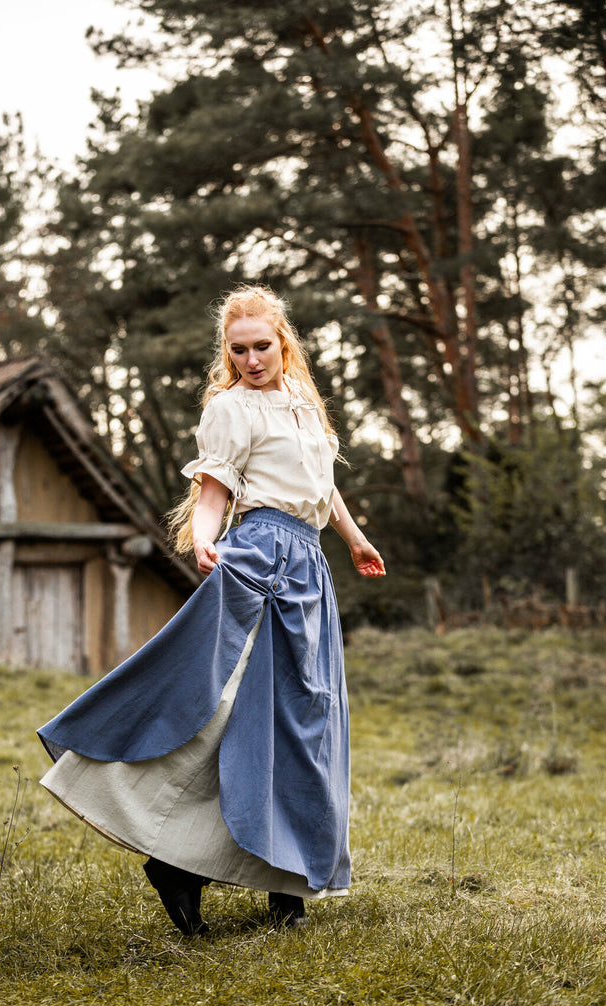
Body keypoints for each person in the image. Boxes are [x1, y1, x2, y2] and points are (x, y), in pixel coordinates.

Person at [37, 284, 385, 935]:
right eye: (239, 350)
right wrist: (204, 535)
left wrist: (355, 538)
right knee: (225, 710)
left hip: (308, 564)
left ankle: (288, 887)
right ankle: (178, 865)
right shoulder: (229, 408)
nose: (252, 359)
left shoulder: (305, 404)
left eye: (262, 347)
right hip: (257, 559)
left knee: (306, 722)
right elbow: (214, 489)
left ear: (283, 343)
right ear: (227, 353)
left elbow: (323, 484)